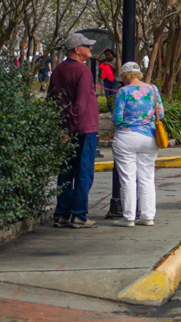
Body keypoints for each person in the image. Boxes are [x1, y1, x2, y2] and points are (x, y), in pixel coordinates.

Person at [50, 33, 100, 229]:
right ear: (77, 49)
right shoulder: (83, 71)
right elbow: (80, 104)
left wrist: (61, 127)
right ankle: (79, 214)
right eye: (87, 46)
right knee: (83, 172)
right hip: (83, 128)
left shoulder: (58, 70)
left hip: (65, 127)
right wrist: (71, 127)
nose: (90, 49)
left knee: (65, 171)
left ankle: (62, 213)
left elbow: (52, 99)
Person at [110, 62, 164, 227]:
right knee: (147, 177)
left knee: (128, 178)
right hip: (149, 137)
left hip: (126, 137)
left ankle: (129, 217)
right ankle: (147, 216)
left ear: (125, 75)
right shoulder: (153, 89)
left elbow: (117, 118)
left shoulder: (123, 91)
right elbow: (160, 114)